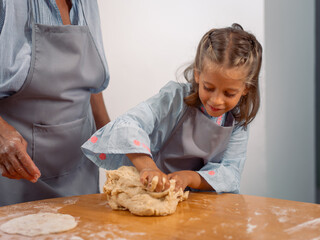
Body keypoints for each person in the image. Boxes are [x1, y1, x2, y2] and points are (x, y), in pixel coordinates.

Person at [82, 23, 262, 194]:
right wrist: (148, 168)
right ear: (198, 75)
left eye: (229, 93)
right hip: (148, 190)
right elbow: (128, 125)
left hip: (197, 203)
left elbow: (229, 173)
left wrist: (190, 178)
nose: (216, 100)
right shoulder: (175, 98)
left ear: (246, 88)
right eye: (208, 88)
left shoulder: (237, 123)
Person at [0, 0, 110, 206]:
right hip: (14, 174)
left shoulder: (87, 3)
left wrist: (111, 136)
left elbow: (88, 78)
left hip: (80, 173)